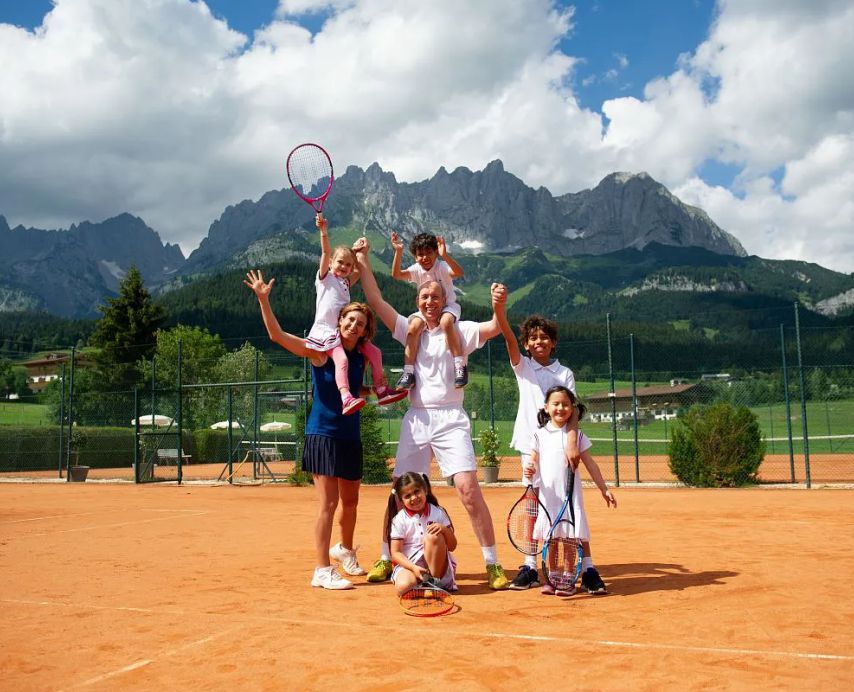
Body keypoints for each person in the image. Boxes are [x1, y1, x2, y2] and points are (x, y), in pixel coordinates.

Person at [353, 238, 510, 590]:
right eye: (424, 297)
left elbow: (495, 327)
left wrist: (499, 305)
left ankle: (492, 564)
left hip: (451, 419)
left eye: (435, 298)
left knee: (468, 489)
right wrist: (363, 261)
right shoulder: (409, 329)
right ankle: (385, 555)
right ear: (418, 302)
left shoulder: (461, 329)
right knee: (399, 491)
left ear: (445, 301)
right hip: (417, 418)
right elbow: (376, 302)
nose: (429, 302)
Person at [244, 268, 373, 590]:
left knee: (352, 502)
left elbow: (358, 390)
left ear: (364, 331)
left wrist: (380, 392)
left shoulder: (359, 359)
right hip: (323, 435)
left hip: (349, 435)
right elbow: (277, 336)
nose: (353, 325)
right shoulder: (320, 352)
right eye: (349, 319)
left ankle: (344, 551)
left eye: (359, 323)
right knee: (328, 504)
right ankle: (321, 569)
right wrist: (263, 300)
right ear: (339, 321)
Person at [495, 310, 591, 590]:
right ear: (527, 344)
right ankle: (529, 565)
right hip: (532, 446)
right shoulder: (523, 367)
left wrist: (571, 441)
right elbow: (508, 338)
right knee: (532, 506)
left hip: (561, 448)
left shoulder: (565, 373)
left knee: (568, 505)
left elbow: (572, 410)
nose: (539, 341)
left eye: (544, 337)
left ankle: (583, 566)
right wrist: (499, 309)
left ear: (553, 343)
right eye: (533, 338)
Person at [308, 215, 406, 415]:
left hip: (341, 333)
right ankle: (346, 397)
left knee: (375, 353)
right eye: (340, 262)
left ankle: (381, 390)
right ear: (330, 263)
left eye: (347, 265)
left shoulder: (344, 283)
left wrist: (360, 251)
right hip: (325, 333)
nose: (343, 267)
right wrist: (323, 231)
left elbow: (360, 271)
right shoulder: (325, 279)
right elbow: (326, 251)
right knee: (342, 361)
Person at [530, 386, 617, 595]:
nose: (561, 408)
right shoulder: (539, 435)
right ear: (546, 407)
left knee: (569, 541)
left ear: (573, 408)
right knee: (550, 541)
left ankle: (567, 579)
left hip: (570, 498)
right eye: (556, 404)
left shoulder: (577, 436)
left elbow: (591, 464)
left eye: (566, 404)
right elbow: (533, 462)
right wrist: (530, 469)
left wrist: (604, 489)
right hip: (548, 497)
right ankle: (552, 578)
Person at [390, 231, 468, 389]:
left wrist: (445, 255)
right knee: (413, 328)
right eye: (420, 254)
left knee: (446, 322)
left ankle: (459, 366)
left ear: (435, 253)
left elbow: (459, 272)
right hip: (426, 310)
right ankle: (409, 372)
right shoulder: (417, 269)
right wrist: (398, 252)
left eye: (429, 253)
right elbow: (397, 275)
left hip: (447, 307)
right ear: (415, 257)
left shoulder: (442, 266)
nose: (425, 258)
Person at [387, 472, 458, 595]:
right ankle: (422, 586)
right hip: (410, 565)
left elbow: (452, 546)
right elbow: (396, 553)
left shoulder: (438, 512)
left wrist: (444, 530)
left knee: (433, 535)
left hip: (438, 567)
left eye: (416, 492)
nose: (414, 498)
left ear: (425, 490)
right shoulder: (399, 519)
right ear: (401, 500)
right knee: (403, 587)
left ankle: (433, 583)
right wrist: (413, 568)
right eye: (407, 496)